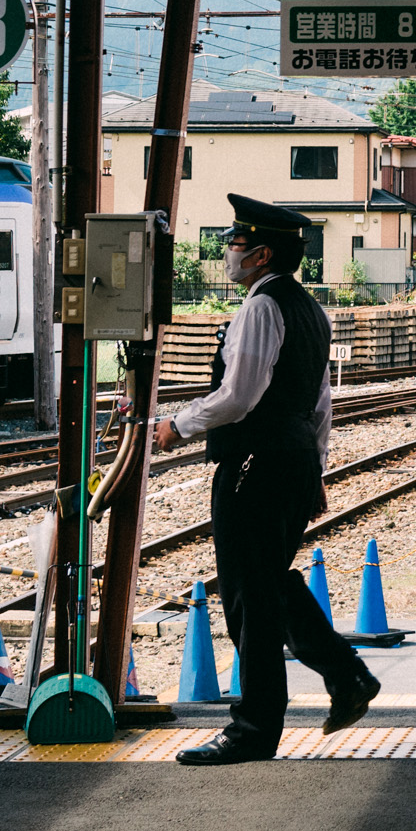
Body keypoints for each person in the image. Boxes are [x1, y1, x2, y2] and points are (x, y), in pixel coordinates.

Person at [152, 195, 381, 764]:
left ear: (262, 253)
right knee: (270, 582)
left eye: (234, 245)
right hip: (291, 460)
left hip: (254, 463)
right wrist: (316, 468)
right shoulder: (309, 309)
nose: (228, 253)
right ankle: (346, 675)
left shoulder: (261, 308)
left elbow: (239, 396)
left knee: (248, 597)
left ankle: (254, 730)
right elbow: (319, 401)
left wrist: (177, 425)